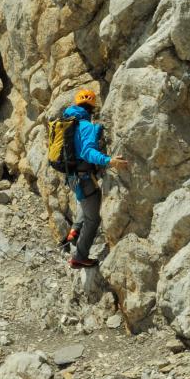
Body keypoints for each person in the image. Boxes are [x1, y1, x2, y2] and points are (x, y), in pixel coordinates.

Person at [60, 88, 128, 268]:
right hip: (84, 178)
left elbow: (78, 145)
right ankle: (79, 257)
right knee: (93, 218)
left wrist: (95, 131)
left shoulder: (69, 122)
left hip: (72, 177)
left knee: (86, 202)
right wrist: (109, 160)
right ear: (92, 107)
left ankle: (74, 231)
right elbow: (88, 151)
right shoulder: (85, 126)